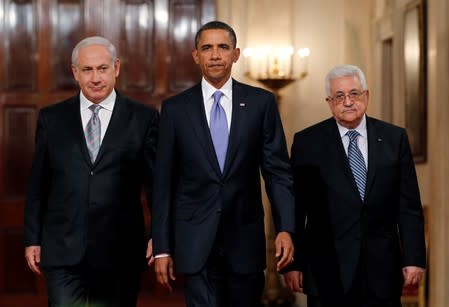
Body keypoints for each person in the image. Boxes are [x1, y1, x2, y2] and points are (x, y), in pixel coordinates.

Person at [151, 20, 295, 306]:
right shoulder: (175, 109)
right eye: (207, 48)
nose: (215, 55)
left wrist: (286, 227)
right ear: (196, 56)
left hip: (245, 240)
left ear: (236, 54)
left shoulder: (261, 103)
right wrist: (162, 248)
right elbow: (163, 181)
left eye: (223, 47)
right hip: (194, 241)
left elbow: (277, 173)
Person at [24, 36, 159, 307]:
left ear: (116, 68)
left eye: (102, 68)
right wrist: (32, 239)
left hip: (120, 250)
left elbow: (156, 186)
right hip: (63, 249)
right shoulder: (52, 119)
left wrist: (160, 235)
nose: (95, 78)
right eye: (87, 70)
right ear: (75, 72)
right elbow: (38, 185)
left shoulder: (143, 118)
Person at [283, 64, 426, 307]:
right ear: (329, 101)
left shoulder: (394, 138)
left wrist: (414, 258)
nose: (348, 102)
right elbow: (296, 208)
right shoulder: (307, 143)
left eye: (354, 94)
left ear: (366, 96)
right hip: (327, 270)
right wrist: (294, 264)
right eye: (339, 96)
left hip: (382, 270)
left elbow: (408, 206)